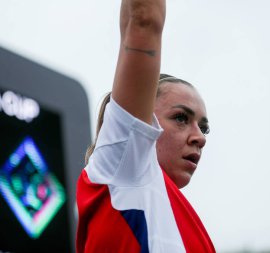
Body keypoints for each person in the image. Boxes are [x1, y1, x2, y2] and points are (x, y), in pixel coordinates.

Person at [75, 0, 216, 252]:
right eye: (181, 118)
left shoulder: (193, 230)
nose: (200, 138)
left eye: (203, 127)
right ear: (140, 118)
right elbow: (143, 19)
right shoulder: (127, 164)